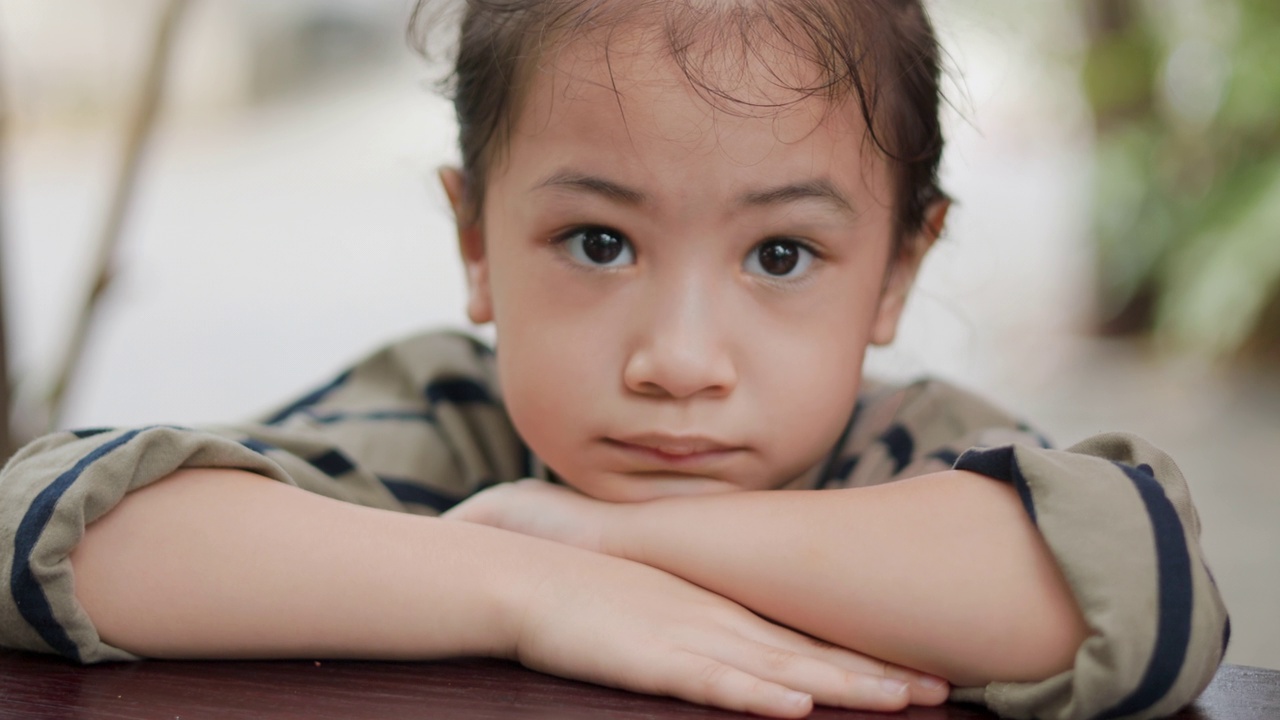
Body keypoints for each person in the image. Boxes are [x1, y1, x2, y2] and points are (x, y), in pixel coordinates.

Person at [0, 1, 1228, 718]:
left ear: (897, 273)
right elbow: (38, 530)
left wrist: (603, 537)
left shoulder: (911, 460)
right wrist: (522, 589)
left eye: (783, 255)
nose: (677, 361)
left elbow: (1149, 594)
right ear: (475, 243)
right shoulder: (440, 421)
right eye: (598, 241)